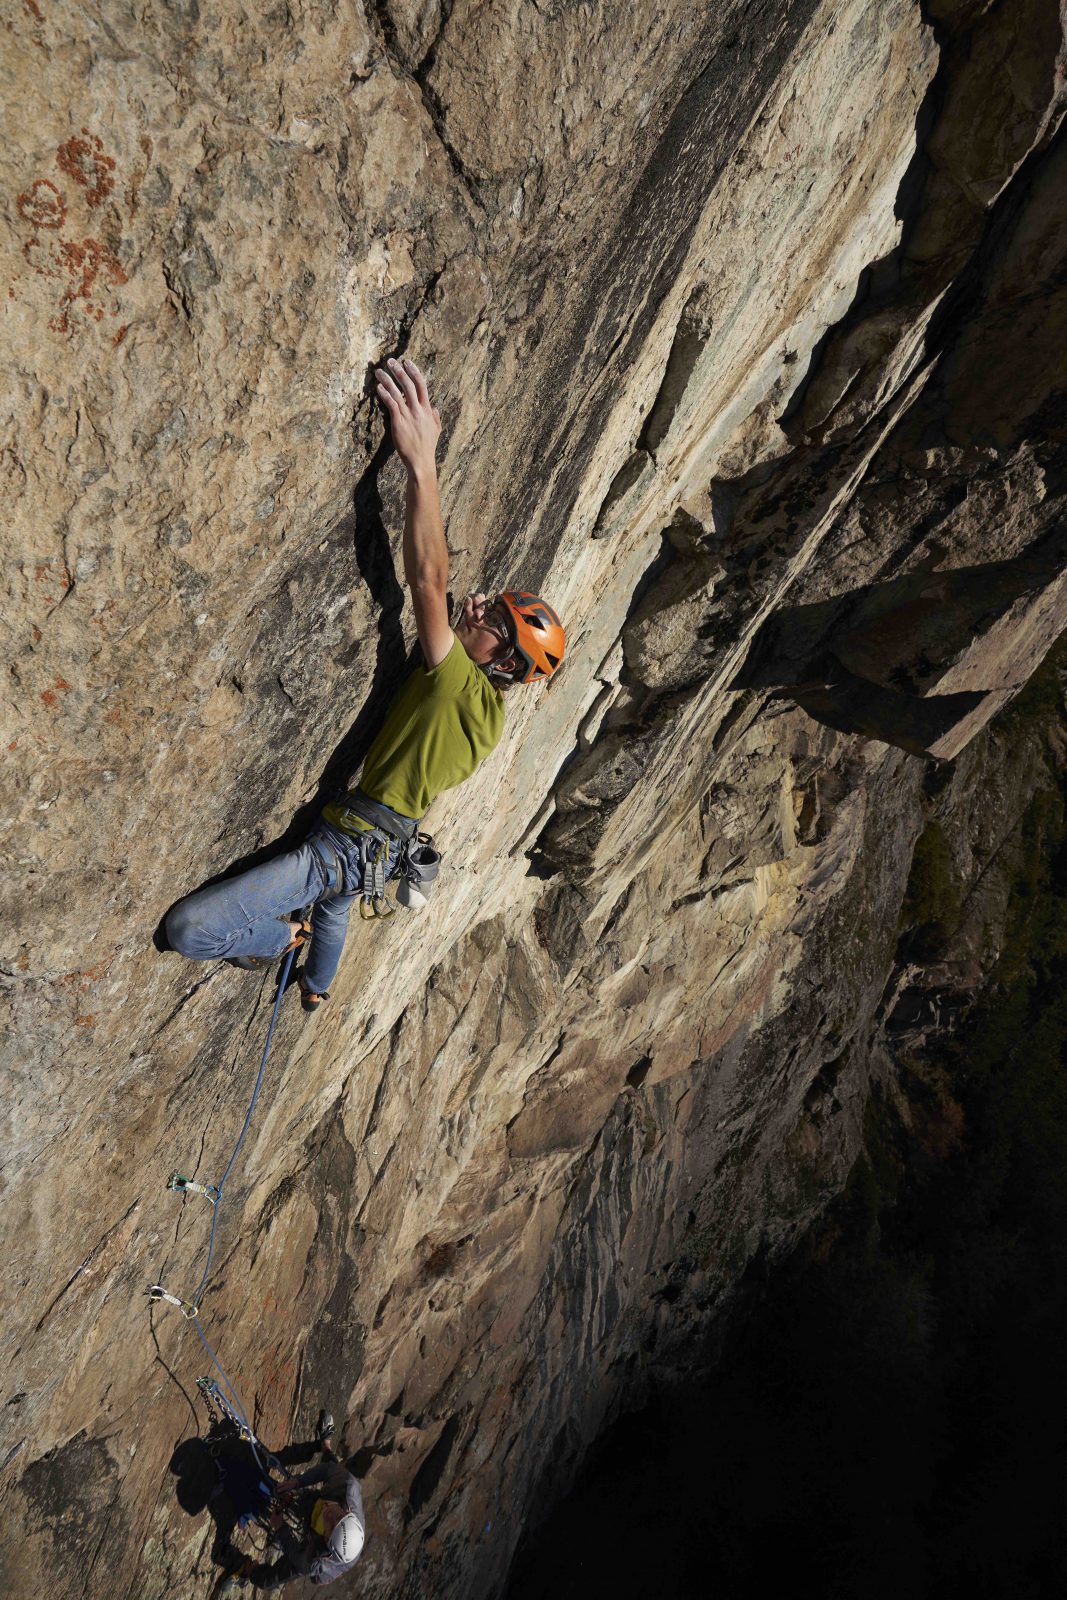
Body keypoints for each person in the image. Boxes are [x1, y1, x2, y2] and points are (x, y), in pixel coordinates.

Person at [165, 357, 565, 1009]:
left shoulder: (456, 686)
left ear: (504, 665)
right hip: (380, 839)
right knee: (337, 906)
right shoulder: (479, 710)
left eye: (494, 619)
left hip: (350, 842)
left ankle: (278, 941)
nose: (479, 609)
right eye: (492, 606)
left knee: (190, 930)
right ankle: (318, 989)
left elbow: (427, 582)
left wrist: (420, 462)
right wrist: (472, 634)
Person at [217, 1412, 364, 1592]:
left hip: (314, 1543)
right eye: (339, 1517)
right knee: (333, 1471)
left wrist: (280, 1528)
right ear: (348, 1511)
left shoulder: (316, 1562)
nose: (330, 1515)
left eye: (331, 1526)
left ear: (326, 1539)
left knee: (267, 1581)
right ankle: (324, 1444)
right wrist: (298, 1482)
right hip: (327, 1499)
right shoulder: (348, 1488)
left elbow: (297, 1557)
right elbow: (327, 1471)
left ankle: (244, 1568)